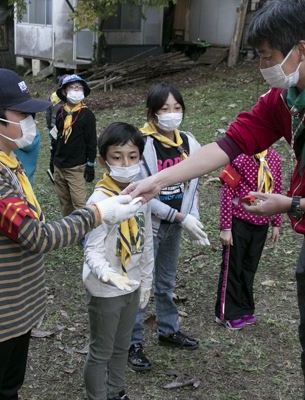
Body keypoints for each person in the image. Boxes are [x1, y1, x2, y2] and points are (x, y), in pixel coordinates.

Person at [124, 1, 305, 398]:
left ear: (300, 51)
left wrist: (291, 205)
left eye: (267, 57)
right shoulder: (288, 98)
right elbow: (230, 143)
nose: (262, 66)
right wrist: (158, 180)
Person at [0, 67, 142, 400]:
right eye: (21, 114)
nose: (30, 121)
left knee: (8, 387)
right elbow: (37, 236)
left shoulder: (3, 161)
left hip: (13, 309)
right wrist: (98, 213)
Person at [127, 83, 210, 373]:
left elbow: (194, 184)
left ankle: (168, 329)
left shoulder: (189, 142)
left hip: (176, 223)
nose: (172, 114)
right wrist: (179, 217)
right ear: (151, 113)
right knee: (141, 282)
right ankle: (132, 341)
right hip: (149, 224)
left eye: (177, 108)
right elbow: (140, 194)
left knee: (166, 281)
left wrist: (192, 216)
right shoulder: (141, 144)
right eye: (164, 109)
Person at [83, 122, 154, 400]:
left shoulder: (141, 193)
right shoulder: (100, 199)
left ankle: (116, 391)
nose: (126, 163)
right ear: (103, 160)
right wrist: (105, 274)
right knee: (101, 350)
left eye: (133, 156)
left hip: (132, 284)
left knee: (122, 345)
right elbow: (91, 249)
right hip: (105, 288)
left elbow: (146, 240)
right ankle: (97, 396)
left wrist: (145, 280)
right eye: (117, 156)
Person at [215, 148, 282, 330]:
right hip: (239, 222)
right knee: (233, 267)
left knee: (249, 267)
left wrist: (276, 222)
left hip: (261, 224)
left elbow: (276, 189)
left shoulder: (274, 158)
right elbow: (228, 191)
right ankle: (227, 313)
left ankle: (244, 308)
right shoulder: (240, 157)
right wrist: (226, 227)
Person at [52, 74, 97, 216]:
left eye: (79, 88)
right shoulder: (60, 111)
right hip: (59, 165)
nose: (76, 90)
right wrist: (52, 159)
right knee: (64, 201)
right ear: (65, 91)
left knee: (79, 203)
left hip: (76, 167)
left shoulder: (87, 114)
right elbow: (56, 136)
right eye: (72, 87)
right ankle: (68, 228)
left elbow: (91, 141)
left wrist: (90, 164)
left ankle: (83, 232)